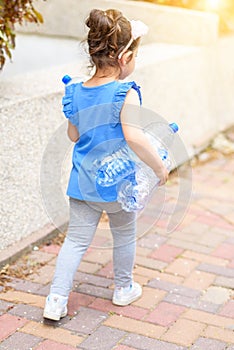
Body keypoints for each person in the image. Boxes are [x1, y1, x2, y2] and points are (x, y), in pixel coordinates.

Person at [43, 8, 168, 321]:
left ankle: (56, 299)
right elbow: (135, 138)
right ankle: (123, 288)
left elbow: (73, 135)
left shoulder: (75, 91)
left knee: (75, 241)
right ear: (125, 58)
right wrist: (159, 168)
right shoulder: (125, 92)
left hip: (82, 183)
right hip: (117, 186)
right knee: (124, 236)